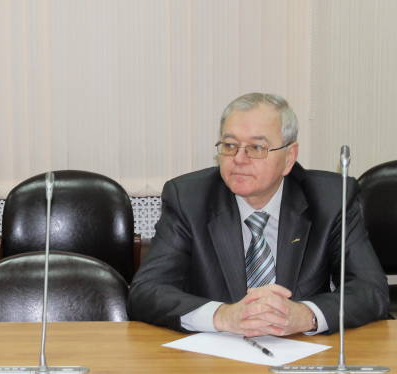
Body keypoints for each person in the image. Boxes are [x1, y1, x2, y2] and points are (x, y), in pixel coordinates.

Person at [129, 92, 388, 336]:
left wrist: (306, 315)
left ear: (289, 157)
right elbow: (147, 291)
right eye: (230, 145)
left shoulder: (331, 199)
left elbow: (370, 290)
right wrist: (222, 316)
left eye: (256, 148)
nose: (239, 159)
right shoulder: (189, 199)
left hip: (301, 353)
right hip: (215, 356)